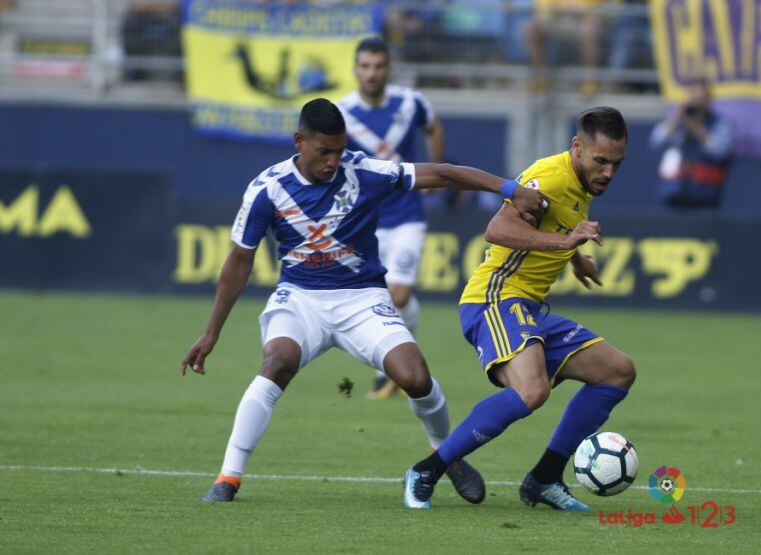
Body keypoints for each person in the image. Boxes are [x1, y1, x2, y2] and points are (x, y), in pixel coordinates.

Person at [181, 98, 546, 504]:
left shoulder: (364, 171)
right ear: (299, 141)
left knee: (415, 375)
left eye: (339, 150)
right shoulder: (266, 190)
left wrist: (509, 189)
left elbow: (442, 173)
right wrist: (210, 333)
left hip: (362, 299)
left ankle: (446, 455)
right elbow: (238, 262)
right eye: (324, 151)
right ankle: (228, 477)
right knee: (276, 363)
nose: (334, 160)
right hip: (300, 300)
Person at [403, 106, 636, 511]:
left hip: (530, 308)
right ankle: (428, 468)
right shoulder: (551, 177)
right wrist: (566, 245)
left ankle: (544, 479)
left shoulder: (582, 184)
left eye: (617, 163)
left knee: (617, 372)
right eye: (601, 161)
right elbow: (499, 229)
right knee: (532, 390)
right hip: (494, 297)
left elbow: (554, 224)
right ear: (577, 147)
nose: (609, 173)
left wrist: (574, 258)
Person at [336, 37, 445, 399]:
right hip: (365, 221)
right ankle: (399, 366)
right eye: (365, 66)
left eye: (378, 66)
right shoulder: (342, 112)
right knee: (378, 297)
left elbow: (434, 127)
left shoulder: (411, 101)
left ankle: (396, 371)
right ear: (355, 69)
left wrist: (435, 176)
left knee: (397, 293)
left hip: (407, 215)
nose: (371, 73)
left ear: (388, 69)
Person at [649, 78, 733, 209]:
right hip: (674, 193)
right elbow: (656, 141)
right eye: (694, 97)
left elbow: (719, 150)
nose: (697, 102)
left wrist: (696, 127)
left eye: (701, 98)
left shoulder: (720, 124)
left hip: (705, 195)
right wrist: (677, 117)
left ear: (708, 100)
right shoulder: (676, 122)